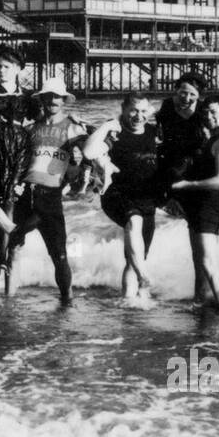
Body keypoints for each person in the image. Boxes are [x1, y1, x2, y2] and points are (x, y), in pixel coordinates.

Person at [5, 77, 86, 303]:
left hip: (51, 198)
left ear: (64, 100)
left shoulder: (74, 127)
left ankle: (67, 301)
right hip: (25, 195)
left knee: (59, 256)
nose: (52, 100)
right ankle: (9, 301)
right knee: (13, 249)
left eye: (57, 97)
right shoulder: (31, 129)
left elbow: (86, 158)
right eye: (48, 96)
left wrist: (77, 166)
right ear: (41, 99)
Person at [83, 93, 162, 299]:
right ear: (124, 109)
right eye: (134, 110)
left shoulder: (154, 133)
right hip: (117, 195)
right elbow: (89, 152)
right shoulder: (116, 133)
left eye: (144, 111)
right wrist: (106, 126)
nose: (138, 116)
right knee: (133, 222)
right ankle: (144, 277)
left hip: (146, 198)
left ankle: (133, 301)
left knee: (136, 256)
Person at [170, 94, 219, 309]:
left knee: (208, 263)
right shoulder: (214, 137)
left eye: (213, 112)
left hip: (209, 206)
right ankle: (200, 303)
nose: (208, 117)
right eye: (205, 112)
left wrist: (185, 186)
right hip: (199, 206)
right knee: (200, 261)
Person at [0, 46, 35, 281]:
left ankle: (2, 256)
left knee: (11, 196)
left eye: (6, 67)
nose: (1, 70)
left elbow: (38, 121)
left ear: (18, 69)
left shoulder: (28, 94)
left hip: (19, 146)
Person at [154, 73, 205, 193]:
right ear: (176, 90)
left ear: (199, 96)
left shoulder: (203, 108)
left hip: (196, 155)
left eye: (192, 94)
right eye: (183, 92)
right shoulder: (167, 104)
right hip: (171, 154)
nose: (187, 98)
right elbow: (158, 129)